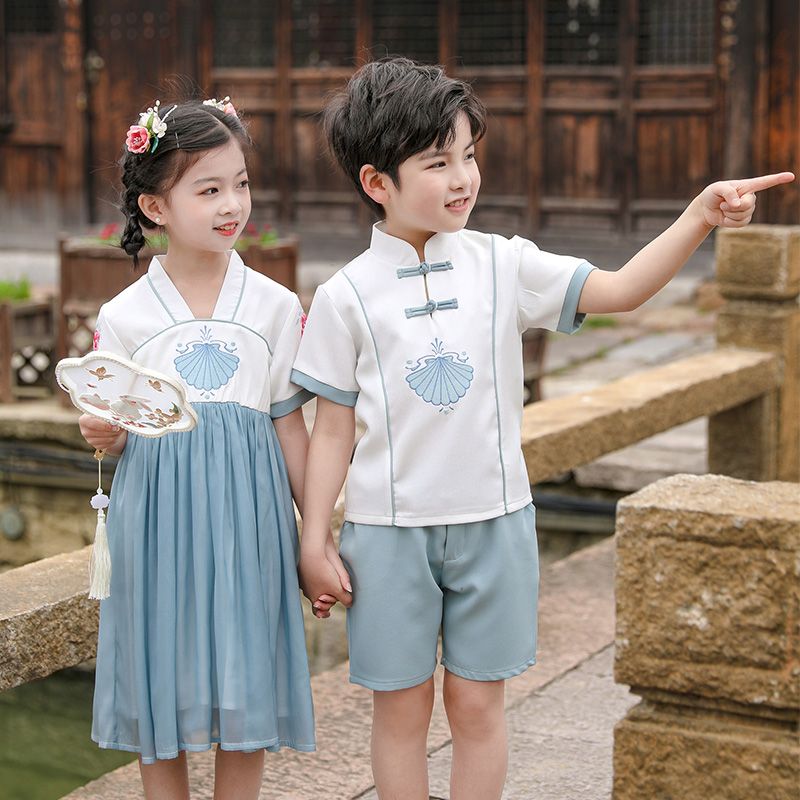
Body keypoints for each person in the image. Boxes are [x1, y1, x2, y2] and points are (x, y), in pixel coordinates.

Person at [291, 57, 794, 800]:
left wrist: (698, 219)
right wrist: (314, 539)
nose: (464, 177)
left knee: (477, 706)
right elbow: (331, 431)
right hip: (387, 533)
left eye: (469, 156)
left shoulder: (504, 264)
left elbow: (620, 290)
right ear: (377, 183)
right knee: (401, 710)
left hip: (495, 523)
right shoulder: (343, 297)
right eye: (438, 162)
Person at [78, 96, 344, 799]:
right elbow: (113, 422)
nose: (233, 204)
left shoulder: (276, 307)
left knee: (245, 678)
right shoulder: (125, 316)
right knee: (158, 674)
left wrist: (315, 535)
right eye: (210, 189)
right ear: (155, 207)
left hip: (252, 523)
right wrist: (102, 431)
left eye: (242, 183)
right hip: (156, 523)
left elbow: (290, 424)